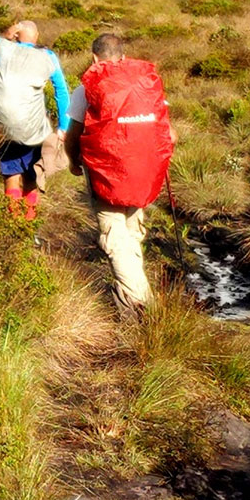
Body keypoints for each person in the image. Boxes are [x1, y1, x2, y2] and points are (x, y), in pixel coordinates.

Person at [73, 30, 173, 306]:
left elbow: (74, 133)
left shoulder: (88, 88)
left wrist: (73, 161)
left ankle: (139, 302)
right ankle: (138, 290)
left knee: (114, 236)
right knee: (132, 231)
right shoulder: (146, 85)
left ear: (95, 58)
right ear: (124, 56)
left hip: (106, 174)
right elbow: (169, 134)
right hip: (142, 171)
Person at [0, 19, 71, 222]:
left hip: (4, 128)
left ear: (17, 35)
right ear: (36, 37)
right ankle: (29, 221)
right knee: (32, 174)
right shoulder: (48, 56)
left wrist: (3, 38)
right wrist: (63, 126)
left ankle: (13, 223)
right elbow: (61, 91)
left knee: (10, 173)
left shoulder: (4, 51)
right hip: (34, 129)